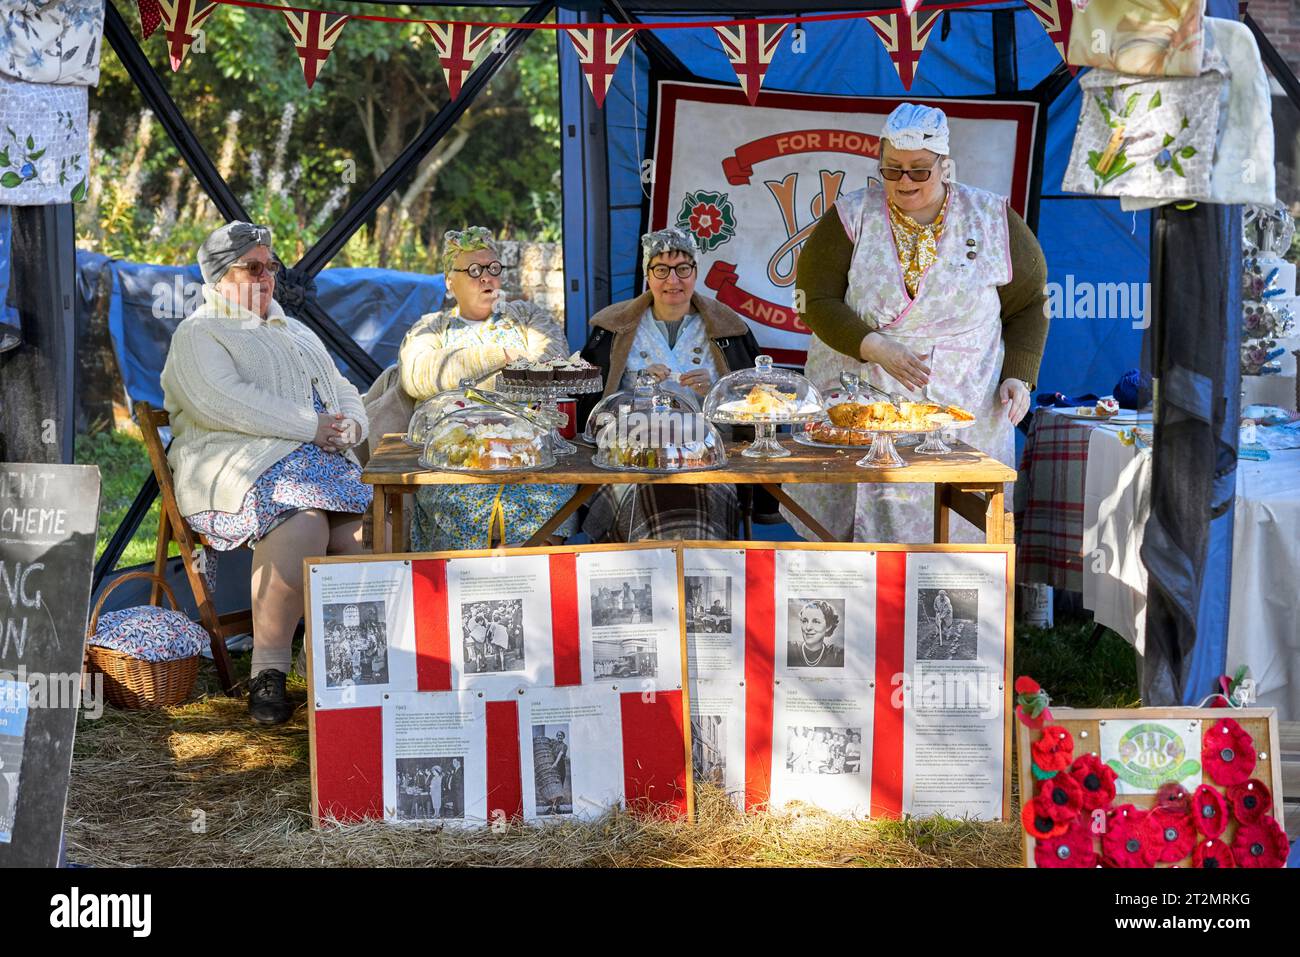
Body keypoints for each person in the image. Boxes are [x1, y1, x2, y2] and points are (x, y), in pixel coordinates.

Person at [785, 104, 1049, 543]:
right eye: (892, 170)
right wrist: (873, 345)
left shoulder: (992, 219)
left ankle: (953, 588)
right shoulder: (851, 216)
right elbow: (812, 300)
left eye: (919, 170)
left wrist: (1019, 376)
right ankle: (854, 586)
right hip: (864, 392)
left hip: (964, 400)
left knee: (955, 522)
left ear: (945, 165)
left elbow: (1030, 304)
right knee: (861, 518)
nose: (904, 181)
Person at [161, 222, 371, 725]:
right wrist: (311, 426)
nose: (266, 276)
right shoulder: (200, 332)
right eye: (251, 267)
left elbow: (342, 387)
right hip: (235, 468)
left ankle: (342, 667)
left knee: (366, 534)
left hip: (319, 469)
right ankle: (268, 673)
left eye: (270, 266)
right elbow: (223, 401)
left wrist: (352, 424)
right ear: (218, 276)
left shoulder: (296, 330)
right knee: (303, 521)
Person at [363, 227, 576, 550]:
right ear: (450, 282)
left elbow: (550, 365)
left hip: (528, 452)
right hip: (455, 457)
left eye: (493, 268)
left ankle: (529, 572)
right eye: (474, 270)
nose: (486, 278)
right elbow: (419, 375)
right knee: (459, 503)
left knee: (550, 494)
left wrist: (464, 383)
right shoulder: (431, 327)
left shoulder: (528, 317)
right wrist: (500, 355)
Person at [578, 227, 763, 541]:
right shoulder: (613, 328)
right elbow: (594, 409)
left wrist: (715, 391)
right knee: (642, 507)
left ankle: (697, 570)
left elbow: (755, 406)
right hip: (630, 457)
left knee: (700, 511)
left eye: (682, 269)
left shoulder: (729, 328)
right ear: (647, 275)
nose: (672, 280)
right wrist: (637, 390)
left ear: (695, 272)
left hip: (706, 458)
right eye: (661, 269)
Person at [787, 599, 845, 668]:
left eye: (816, 622)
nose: (808, 627)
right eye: (805, 621)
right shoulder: (789, 648)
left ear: (828, 626)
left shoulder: (837, 656)